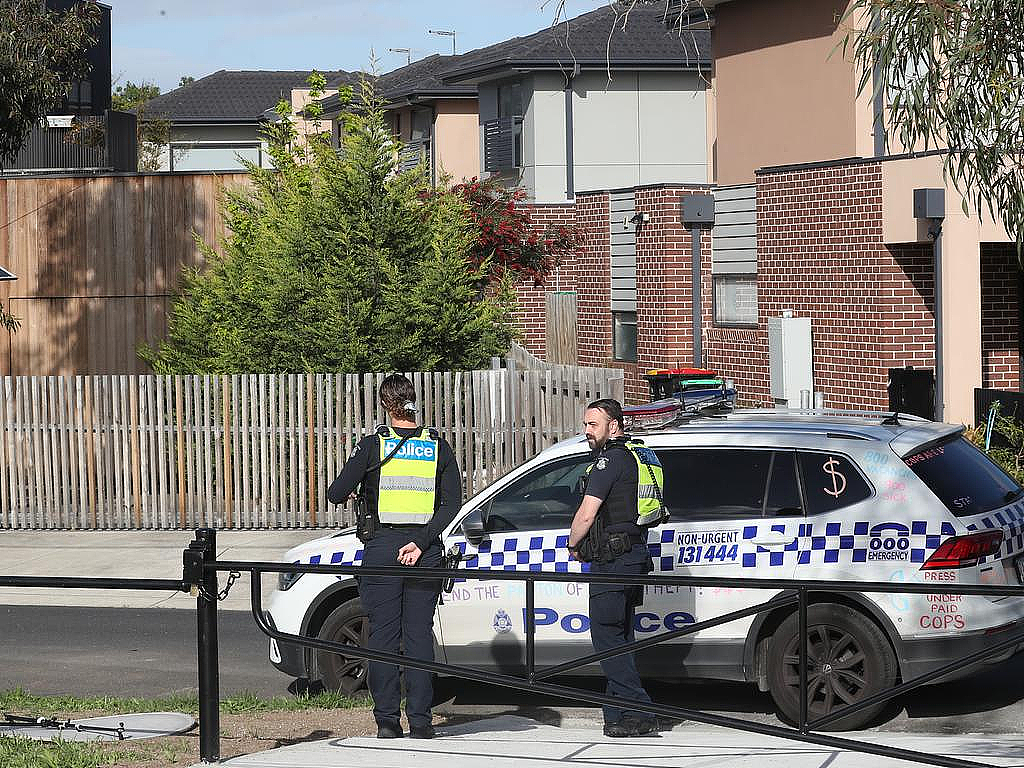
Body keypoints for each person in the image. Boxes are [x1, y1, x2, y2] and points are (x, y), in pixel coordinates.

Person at [327, 374, 461, 740]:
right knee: (418, 637)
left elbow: (336, 492)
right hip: (426, 550)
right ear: (414, 401)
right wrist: (421, 541)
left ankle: (387, 722)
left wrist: (360, 490)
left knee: (384, 637)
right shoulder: (437, 445)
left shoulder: (373, 444)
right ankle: (421, 722)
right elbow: (452, 503)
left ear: (386, 404)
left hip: (383, 549)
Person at [567, 398, 665, 738]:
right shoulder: (639, 456)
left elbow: (586, 514)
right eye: (586, 424)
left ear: (614, 426)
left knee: (607, 638)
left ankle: (641, 709)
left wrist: (572, 544)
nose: (587, 431)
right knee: (620, 638)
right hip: (633, 555)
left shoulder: (610, 460)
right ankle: (618, 716)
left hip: (612, 561)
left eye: (593, 425)